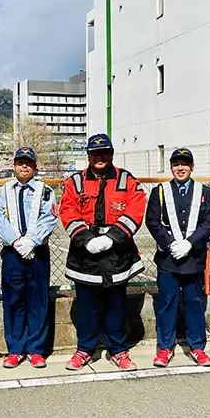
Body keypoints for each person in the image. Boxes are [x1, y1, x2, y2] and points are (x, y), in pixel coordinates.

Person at [58, 133, 146, 371]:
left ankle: (118, 350)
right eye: (95, 153)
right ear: (88, 156)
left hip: (117, 251)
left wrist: (112, 238)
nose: (100, 157)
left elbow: (136, 209)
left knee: (116, 303)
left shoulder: (126, 180)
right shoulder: (74, 182)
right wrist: (86, 240)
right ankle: (84, 350)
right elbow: (67, 210)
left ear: (111, 154)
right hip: (84, 252)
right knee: (87, 304)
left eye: (104, 152)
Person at [145, 148, 210, 367]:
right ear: (171, 167)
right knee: (167, 303)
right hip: (168, 259)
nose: (180, 168)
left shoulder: (204, 192)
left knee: (195, 304)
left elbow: (209, 223)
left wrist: (189, 243)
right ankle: (165, 348)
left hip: (193, 258)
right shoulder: (159, 191)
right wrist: (170, 244)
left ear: (192, 167)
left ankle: (197, 348)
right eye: (176, 164)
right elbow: (153, 222)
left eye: (185, 163)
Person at [0, 146, 59, 369]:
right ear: (14, 166)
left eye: (28, 163)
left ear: (35, 167)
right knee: (13, 301)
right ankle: (15, 349)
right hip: (13, 254)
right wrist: (17, 242)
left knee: (38, 301)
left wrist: (32, 241)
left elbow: (49, 218)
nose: (24, 166)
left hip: (38, 253)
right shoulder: (3, 191)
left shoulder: (45, 190)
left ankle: (36, 349)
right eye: (20, 162)